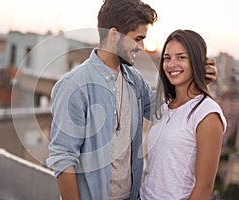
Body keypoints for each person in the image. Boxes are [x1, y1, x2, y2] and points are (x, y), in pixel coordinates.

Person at [46, 0, 217, 199]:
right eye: (138, 39)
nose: (141, 47)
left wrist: (195, 77)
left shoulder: (134, 80)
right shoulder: (74, 86)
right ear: (113, 34)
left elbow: (167, 110)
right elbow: (63, 158)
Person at [140, 29, 227, 200]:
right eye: (167, 58)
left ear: (196, 61)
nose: (172, 64)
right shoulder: (164, 108)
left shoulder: (207, 114)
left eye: (181, 57)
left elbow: (204, 188)